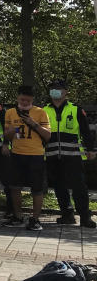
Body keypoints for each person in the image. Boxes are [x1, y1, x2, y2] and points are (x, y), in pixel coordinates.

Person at [43, 80, 96, 228]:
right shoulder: (44, 111)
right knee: (59, 186)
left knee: (79, 186)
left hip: (73, 155)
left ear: (66, 92)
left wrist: (91, 149)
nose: (55, 91)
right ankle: (67, 215)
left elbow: (86, 132)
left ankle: (85, 217)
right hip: (52, 155)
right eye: (53, 88)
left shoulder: (76, 110)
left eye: (59, 89)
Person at [3, 85, 51, 232]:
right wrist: (10, 132)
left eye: (27, 100)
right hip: (17, 154)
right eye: (22, 99)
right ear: (18, 97)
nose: (24, 102)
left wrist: (33, 123)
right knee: (15, 186)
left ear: (32, 100)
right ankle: (18, 216)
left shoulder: (40, 112)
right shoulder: (10, 112)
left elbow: (48, 136)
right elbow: (6, 135)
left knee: (37, 189)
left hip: (35, 155)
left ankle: (35, 219)